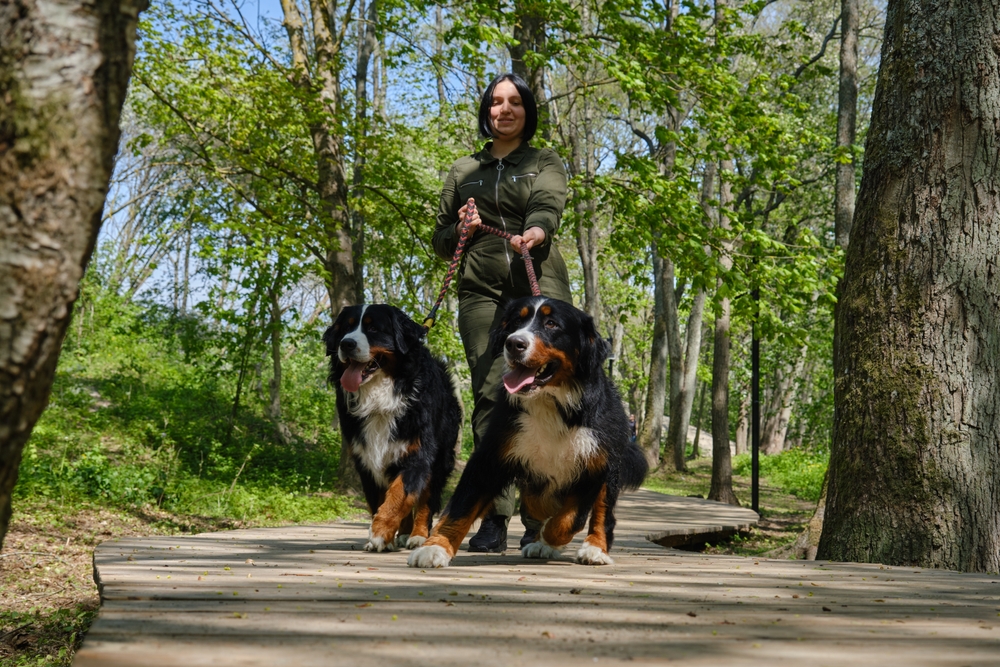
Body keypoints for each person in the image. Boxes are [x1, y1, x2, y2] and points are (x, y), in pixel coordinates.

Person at [432, 73, 574, 552]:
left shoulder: (543, 160)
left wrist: (535, 231)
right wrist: (461, 228)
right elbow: (439, 241)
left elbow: (548, 203)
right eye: (496, 102)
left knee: (541, 396)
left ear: (527, 111)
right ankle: (493, 516)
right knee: (493, 395)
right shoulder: (462, 169)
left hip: (537, 286)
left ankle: (540, 517)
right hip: (481, 293)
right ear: (486, 110)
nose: (504, 110)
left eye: (514, 102)